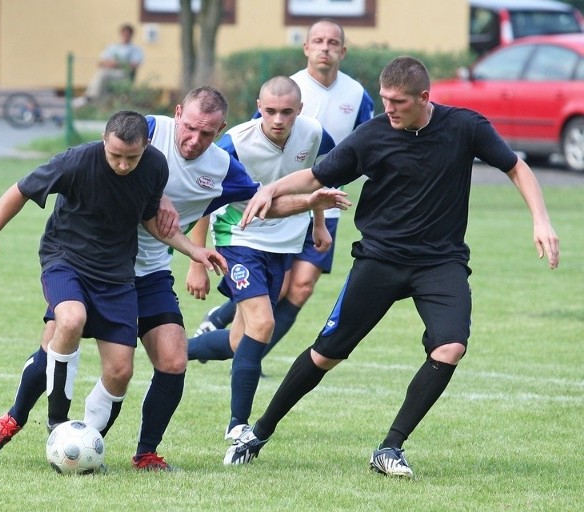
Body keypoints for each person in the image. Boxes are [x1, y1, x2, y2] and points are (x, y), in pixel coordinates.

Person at [0, 90, 347, 471]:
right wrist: (159, 194)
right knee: (57, 338)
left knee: (170, 359)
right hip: (86, 261)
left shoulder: (221, 166)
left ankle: (133, 451)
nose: (194, 140)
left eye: (207, 133)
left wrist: (309, 203)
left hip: (148, 270)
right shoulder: (147, 132)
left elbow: (261, 204)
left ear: (221, 130)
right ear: (177, 114)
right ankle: (14, 418)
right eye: (189, 128)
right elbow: (121, 153)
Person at [223, 56, 560, 476]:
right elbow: (315, 175)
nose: (389, 109)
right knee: (327, 354)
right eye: (384, 99)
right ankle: (260, 431)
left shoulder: (464, 126)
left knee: (450, 346)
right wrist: (270, 189)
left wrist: (541, 219)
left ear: (424, 97)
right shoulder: (372, 136)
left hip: (441, 261)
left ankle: (390, 448)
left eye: (398, 101)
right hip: (380, 259)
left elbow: (516, 167)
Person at [0, 110, 227, 468]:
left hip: (118, 275)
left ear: (147, 146)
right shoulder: (76, 161)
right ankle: (53, 423)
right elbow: (20, 190)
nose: (123, 165)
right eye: (115, 155)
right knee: (69, 320)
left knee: (121, 371)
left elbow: (150, 218)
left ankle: (81, 445)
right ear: (105, 141)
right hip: (66, 260)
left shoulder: (154, 167)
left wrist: (194, 250)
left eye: (131, 157)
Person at [194, 18, 373, 366]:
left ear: (343, 51)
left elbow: (364, 145)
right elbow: (252, 144)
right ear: (306, 48)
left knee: (301, 287)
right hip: (274, 205)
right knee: (276, 288)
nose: (325, 47)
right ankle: (230, 324)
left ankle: (253, 356)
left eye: (332, 42)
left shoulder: (357, 95)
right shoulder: (286, 89)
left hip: (323, 203)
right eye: (317, 41)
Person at [186, 76, 336, 448]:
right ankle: (238, 425)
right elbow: (206, 199)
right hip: (238, 238)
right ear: (258, 107)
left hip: (283, 245)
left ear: (300, 110)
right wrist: (196, 261)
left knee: (241, 340)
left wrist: (319, 224)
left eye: (287, 112)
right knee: (263, 323)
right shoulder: (234, 143)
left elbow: (321, 182)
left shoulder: (316, 135)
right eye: (270, 111)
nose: (278, 119)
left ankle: (177, 349)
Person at [79, 23, 143, 103]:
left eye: (128, 34)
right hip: (110, 72)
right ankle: (92, 98)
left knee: (103, 75)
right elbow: (100, 63)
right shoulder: (112, 47)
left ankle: (91, 97)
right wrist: (110, 64)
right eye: (124, 33)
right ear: (121, 34)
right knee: (102, 74)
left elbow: (134, 65)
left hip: (124, 75)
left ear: (131, 35)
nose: (126, 36)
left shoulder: (135, 49)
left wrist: (117, 64)